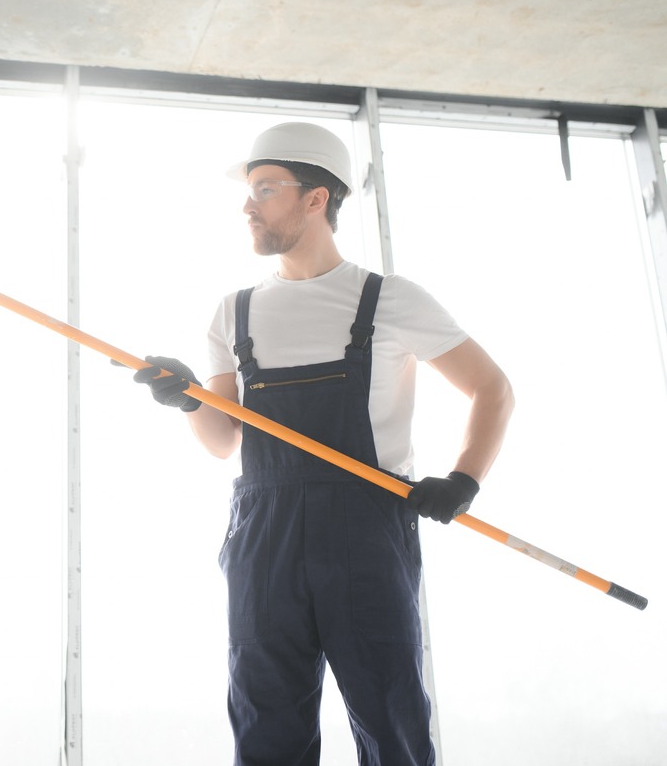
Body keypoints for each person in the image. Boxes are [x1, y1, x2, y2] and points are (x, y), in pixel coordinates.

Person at [134, 122, 514, 766]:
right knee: (266, 729)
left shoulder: (388, 299)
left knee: (392, 721)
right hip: (264, 537)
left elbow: (492, 389)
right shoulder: (236, 312)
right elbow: (224, 442)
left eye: (265, 189)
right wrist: (187, 398)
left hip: (366, 532)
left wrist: (464, 481)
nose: (247, 205)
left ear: (316, 198)